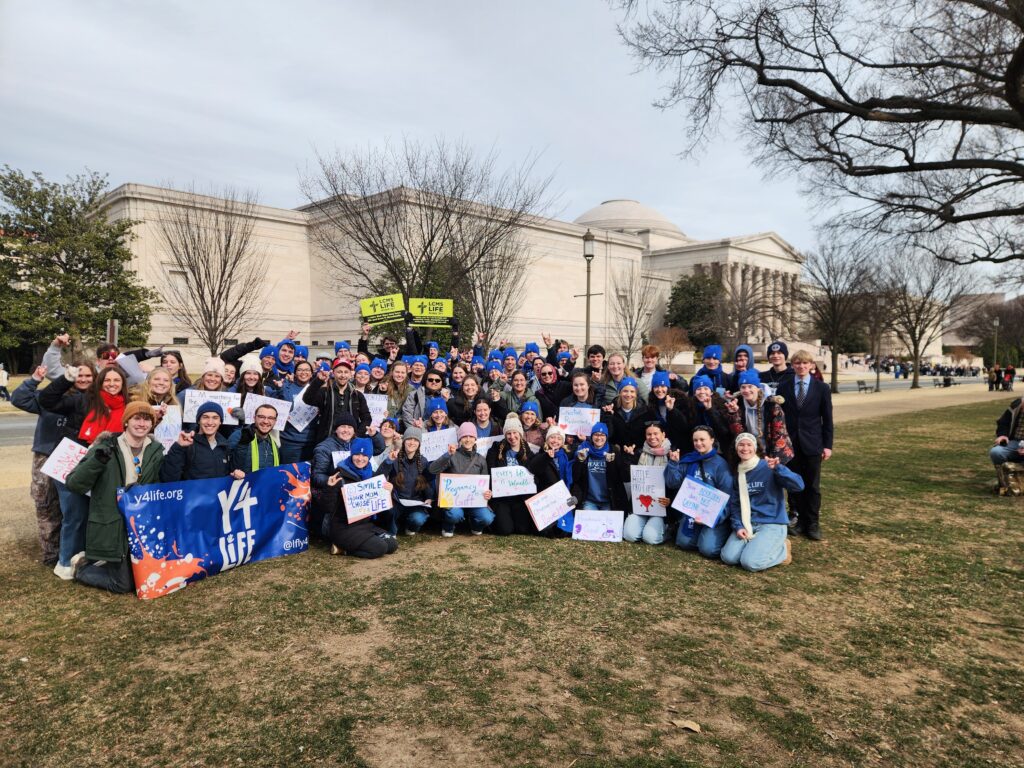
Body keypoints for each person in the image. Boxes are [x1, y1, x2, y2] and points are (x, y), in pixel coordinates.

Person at [38, 363, 129, 580]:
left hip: (106, 467)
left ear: (123, 384)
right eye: (107, 380)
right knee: (75, 515)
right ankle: (65, 561)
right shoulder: (84, 400)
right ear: (99, 382)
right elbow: (46, 401)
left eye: (117, 380)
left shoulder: (128, 406)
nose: (112, 384)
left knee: (97, 514)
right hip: (75, 464)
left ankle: (90, 556)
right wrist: (66, 379)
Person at [65, 402, 164, 593]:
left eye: (147, 419)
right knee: (123, 585)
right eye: (137, 418)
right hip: (113, 522)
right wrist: (97, 460)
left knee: (145, 578)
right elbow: (75, 483)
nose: (142, 423)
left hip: (140, 525)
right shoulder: (107, 446)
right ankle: (81, 568)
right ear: (126, 421)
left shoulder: (156, 450)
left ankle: (106, 563)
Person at [720, 433, 804, 572]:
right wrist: (738, 526)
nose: (745, 448)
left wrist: (779, 469)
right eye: (741, 444)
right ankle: (757, 546)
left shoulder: (769, 466)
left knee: (750, 563)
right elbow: (735, 505)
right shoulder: (738, 473)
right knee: (728, 557)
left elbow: (799, 485)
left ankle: (782, 550)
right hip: (749, 523)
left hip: (771, 522)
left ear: (755, 448)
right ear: (736, 449)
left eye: (749, 445)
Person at [11, 364, 65, 566]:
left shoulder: (84, 397)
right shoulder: (47, 398)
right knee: (45, 504)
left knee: (70, 506)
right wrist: (34, 379)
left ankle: (70, 549)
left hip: (73, 456)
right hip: (46, 454)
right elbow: (18, 399)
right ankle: (51, 554)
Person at [777, 350, 833, 541]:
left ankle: (813, 523)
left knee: (812, 486)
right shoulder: (783, 387)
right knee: (795, 484)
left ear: (811, 366)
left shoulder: (821, 388)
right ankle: (799, 520)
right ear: (792, 366)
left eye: (804, 363)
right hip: (790, 444)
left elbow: (827, 419)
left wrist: (827, 445)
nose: (801, 366)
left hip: (812, 443)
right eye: (797, 363)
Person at [323, 438, 398, 558]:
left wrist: (388, 490)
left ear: (369, 457)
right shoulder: (339, 474)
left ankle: (348, 547)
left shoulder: (370, 474)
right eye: (357, 454)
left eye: (364, 455)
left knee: (392, 544)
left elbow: (380, 491)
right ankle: (342, 549)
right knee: (380, 548)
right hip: (344, 527)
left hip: (365, 525)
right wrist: (330, 488)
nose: (360, 458)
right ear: (352, 454)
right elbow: (327, 506)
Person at [666, 425, 734, 558]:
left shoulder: (721, 465)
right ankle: (700, 536)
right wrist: (673, 464)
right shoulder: (689, 459)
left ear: (712, 440)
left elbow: (729, 497)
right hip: (693, 512)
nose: (698, 443)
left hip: (714, 515)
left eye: (702, 439)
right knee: (683, 543)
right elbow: (672, 483)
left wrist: (713, 518)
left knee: (708, 550)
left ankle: (721, 535)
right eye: (695, 440)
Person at [428, 422, 495, 536]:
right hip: (454, 501)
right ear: (459, 439)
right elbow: (432, 470)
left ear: (475, 438)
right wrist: (447, 455)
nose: (468, 439)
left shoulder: (481, 460)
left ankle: (475, 525)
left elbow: (485, 485)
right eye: (464, 436)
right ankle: (448, 526)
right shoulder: (452, 455)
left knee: (487, 517)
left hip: (474, 501)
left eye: (471, 436)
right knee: (454, 514)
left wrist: (488, 493)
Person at [723, 369, 794, 462]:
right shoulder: (738, 404)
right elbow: (739, 435)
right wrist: (734, 414)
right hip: (749, 452)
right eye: (743, 387)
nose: (746, 390)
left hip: (771, 452)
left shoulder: (772, 406)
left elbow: (779, 435)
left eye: (750, 386)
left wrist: (773, 459)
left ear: (757, 388)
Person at [486, 413, 539, 535]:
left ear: (520, 433)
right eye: (508, 433)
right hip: (501, 498)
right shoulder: (495, 449)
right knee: (505, 530)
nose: (512, 436)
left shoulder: (529, 452)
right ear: (505, 434)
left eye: (515, 432)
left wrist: (533, 482)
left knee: (523, 530)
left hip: (519, 498)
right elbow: (489, 472)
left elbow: (534, 476)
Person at [526, 424, 582, 538]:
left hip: (564, 500)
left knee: (565, 531)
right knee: (549, 531)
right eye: (552, 437)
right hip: (547, 503)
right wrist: (546, 457)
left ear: (562, 442)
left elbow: (576, 480)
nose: (555, 441)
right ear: (547, 439)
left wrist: (576, 497)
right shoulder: (540, 455)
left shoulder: (568, 456)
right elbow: (533, 467)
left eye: (559, 438)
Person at [621, 422, 673, 545]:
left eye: (656, 433)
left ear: (663, 435)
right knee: (629, 535)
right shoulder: (639, 453)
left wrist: (670, 500)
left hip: (661, 507)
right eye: (649, 434)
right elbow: (627, 476)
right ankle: (644, 525)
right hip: (639, 505)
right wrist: (628, 458)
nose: (652, 437)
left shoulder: (672, 455)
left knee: (650, 538)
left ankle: (668, 529)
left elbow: (675, 482)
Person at [160, 402, 236, 481]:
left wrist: (235, 475)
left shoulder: (224, 446)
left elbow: (227, 476)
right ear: (198, 420)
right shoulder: (187, 443)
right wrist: (178, 447)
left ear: (220, 422)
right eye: (205, 417)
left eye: (215, 418)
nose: (210, 422)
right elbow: (168, 478)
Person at [303, 357, 372, 444]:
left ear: (351, 374)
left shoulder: (357, 395)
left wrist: (356, 436)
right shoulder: (324, 392)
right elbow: (307, 399)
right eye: (339, 372)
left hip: (349, 442)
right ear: (333, 373)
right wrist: (318, 381)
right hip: (326, 441)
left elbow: (367, 419)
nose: (343, 375)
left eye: (346, 372)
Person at [389, 427, 434, 535]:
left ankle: (410, 527)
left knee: (418, 518)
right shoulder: (394, 458)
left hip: (415, 502)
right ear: (404, 441)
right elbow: (383, 475)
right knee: (390, 515)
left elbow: (426, 481)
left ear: (419, 443)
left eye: (415, 440)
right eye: (409, 439)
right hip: (397, 501)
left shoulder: (423, 461)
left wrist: (429, 497)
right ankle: (393, 529)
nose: (412, 442)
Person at [574, 422, 622, 510]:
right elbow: (576, 477)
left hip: (608, 500)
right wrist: (580, 461)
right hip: (589, 500)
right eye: (596, 434)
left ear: (606, 437)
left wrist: (612, 464)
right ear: (591, 436)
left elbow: (619, 478)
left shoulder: (613, 451)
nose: (599, 438)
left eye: (602, 435)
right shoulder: (583, 450)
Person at [232, 404, 281, 474]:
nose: (266, 421)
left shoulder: (274, 444)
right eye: (261, 417)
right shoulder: (239, 435)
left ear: (275, 421)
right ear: (254, 418)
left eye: (271, 418)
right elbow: (230, 467)